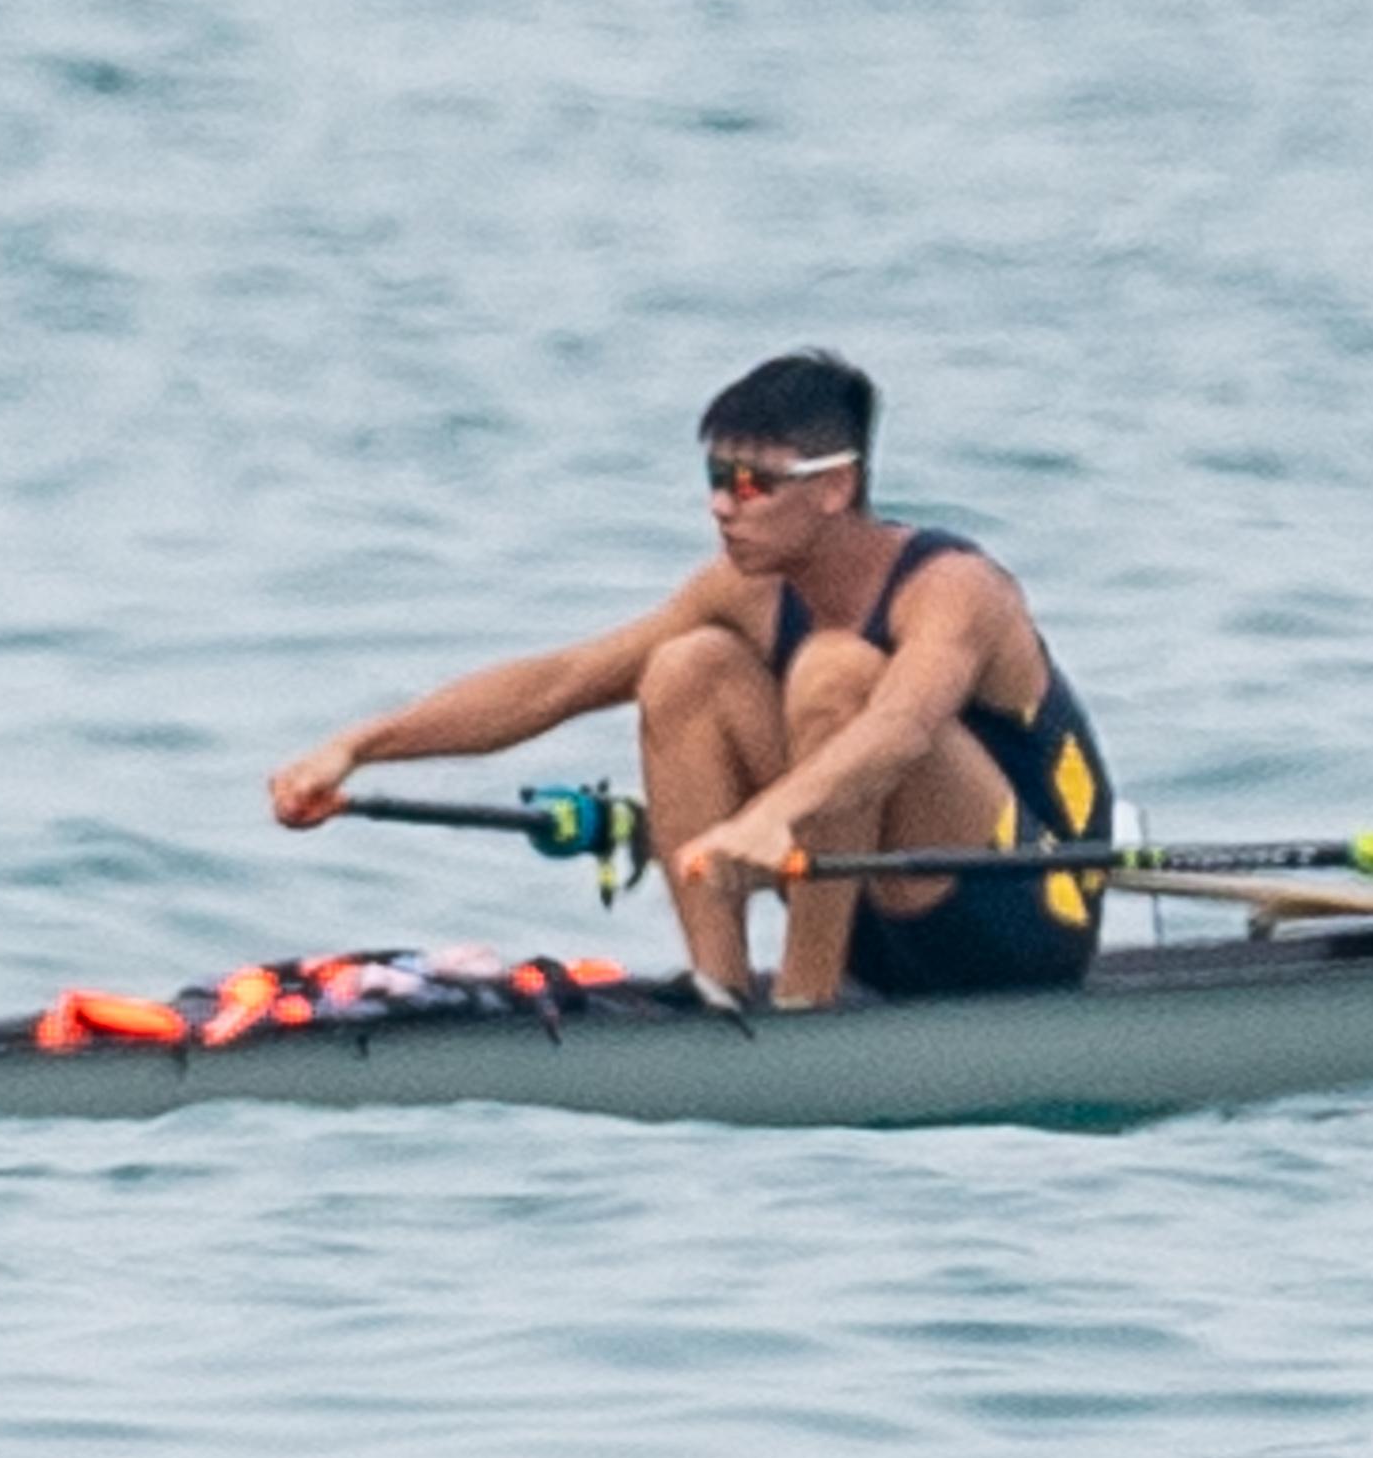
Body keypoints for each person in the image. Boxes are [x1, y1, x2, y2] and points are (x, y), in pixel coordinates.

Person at [265, 352, 1113, 1008]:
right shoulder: (743, 591)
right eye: (716, 478)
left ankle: (805, 1008)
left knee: (837, 672)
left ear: (836, 487)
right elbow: (560, 681)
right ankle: (721, 987)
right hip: (871, 913)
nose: (722, 505)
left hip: (1026, 918)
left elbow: (901, 728)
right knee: (684, 667)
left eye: (752, 483)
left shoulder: (955, 589)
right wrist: (356, 747)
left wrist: (773, 815)